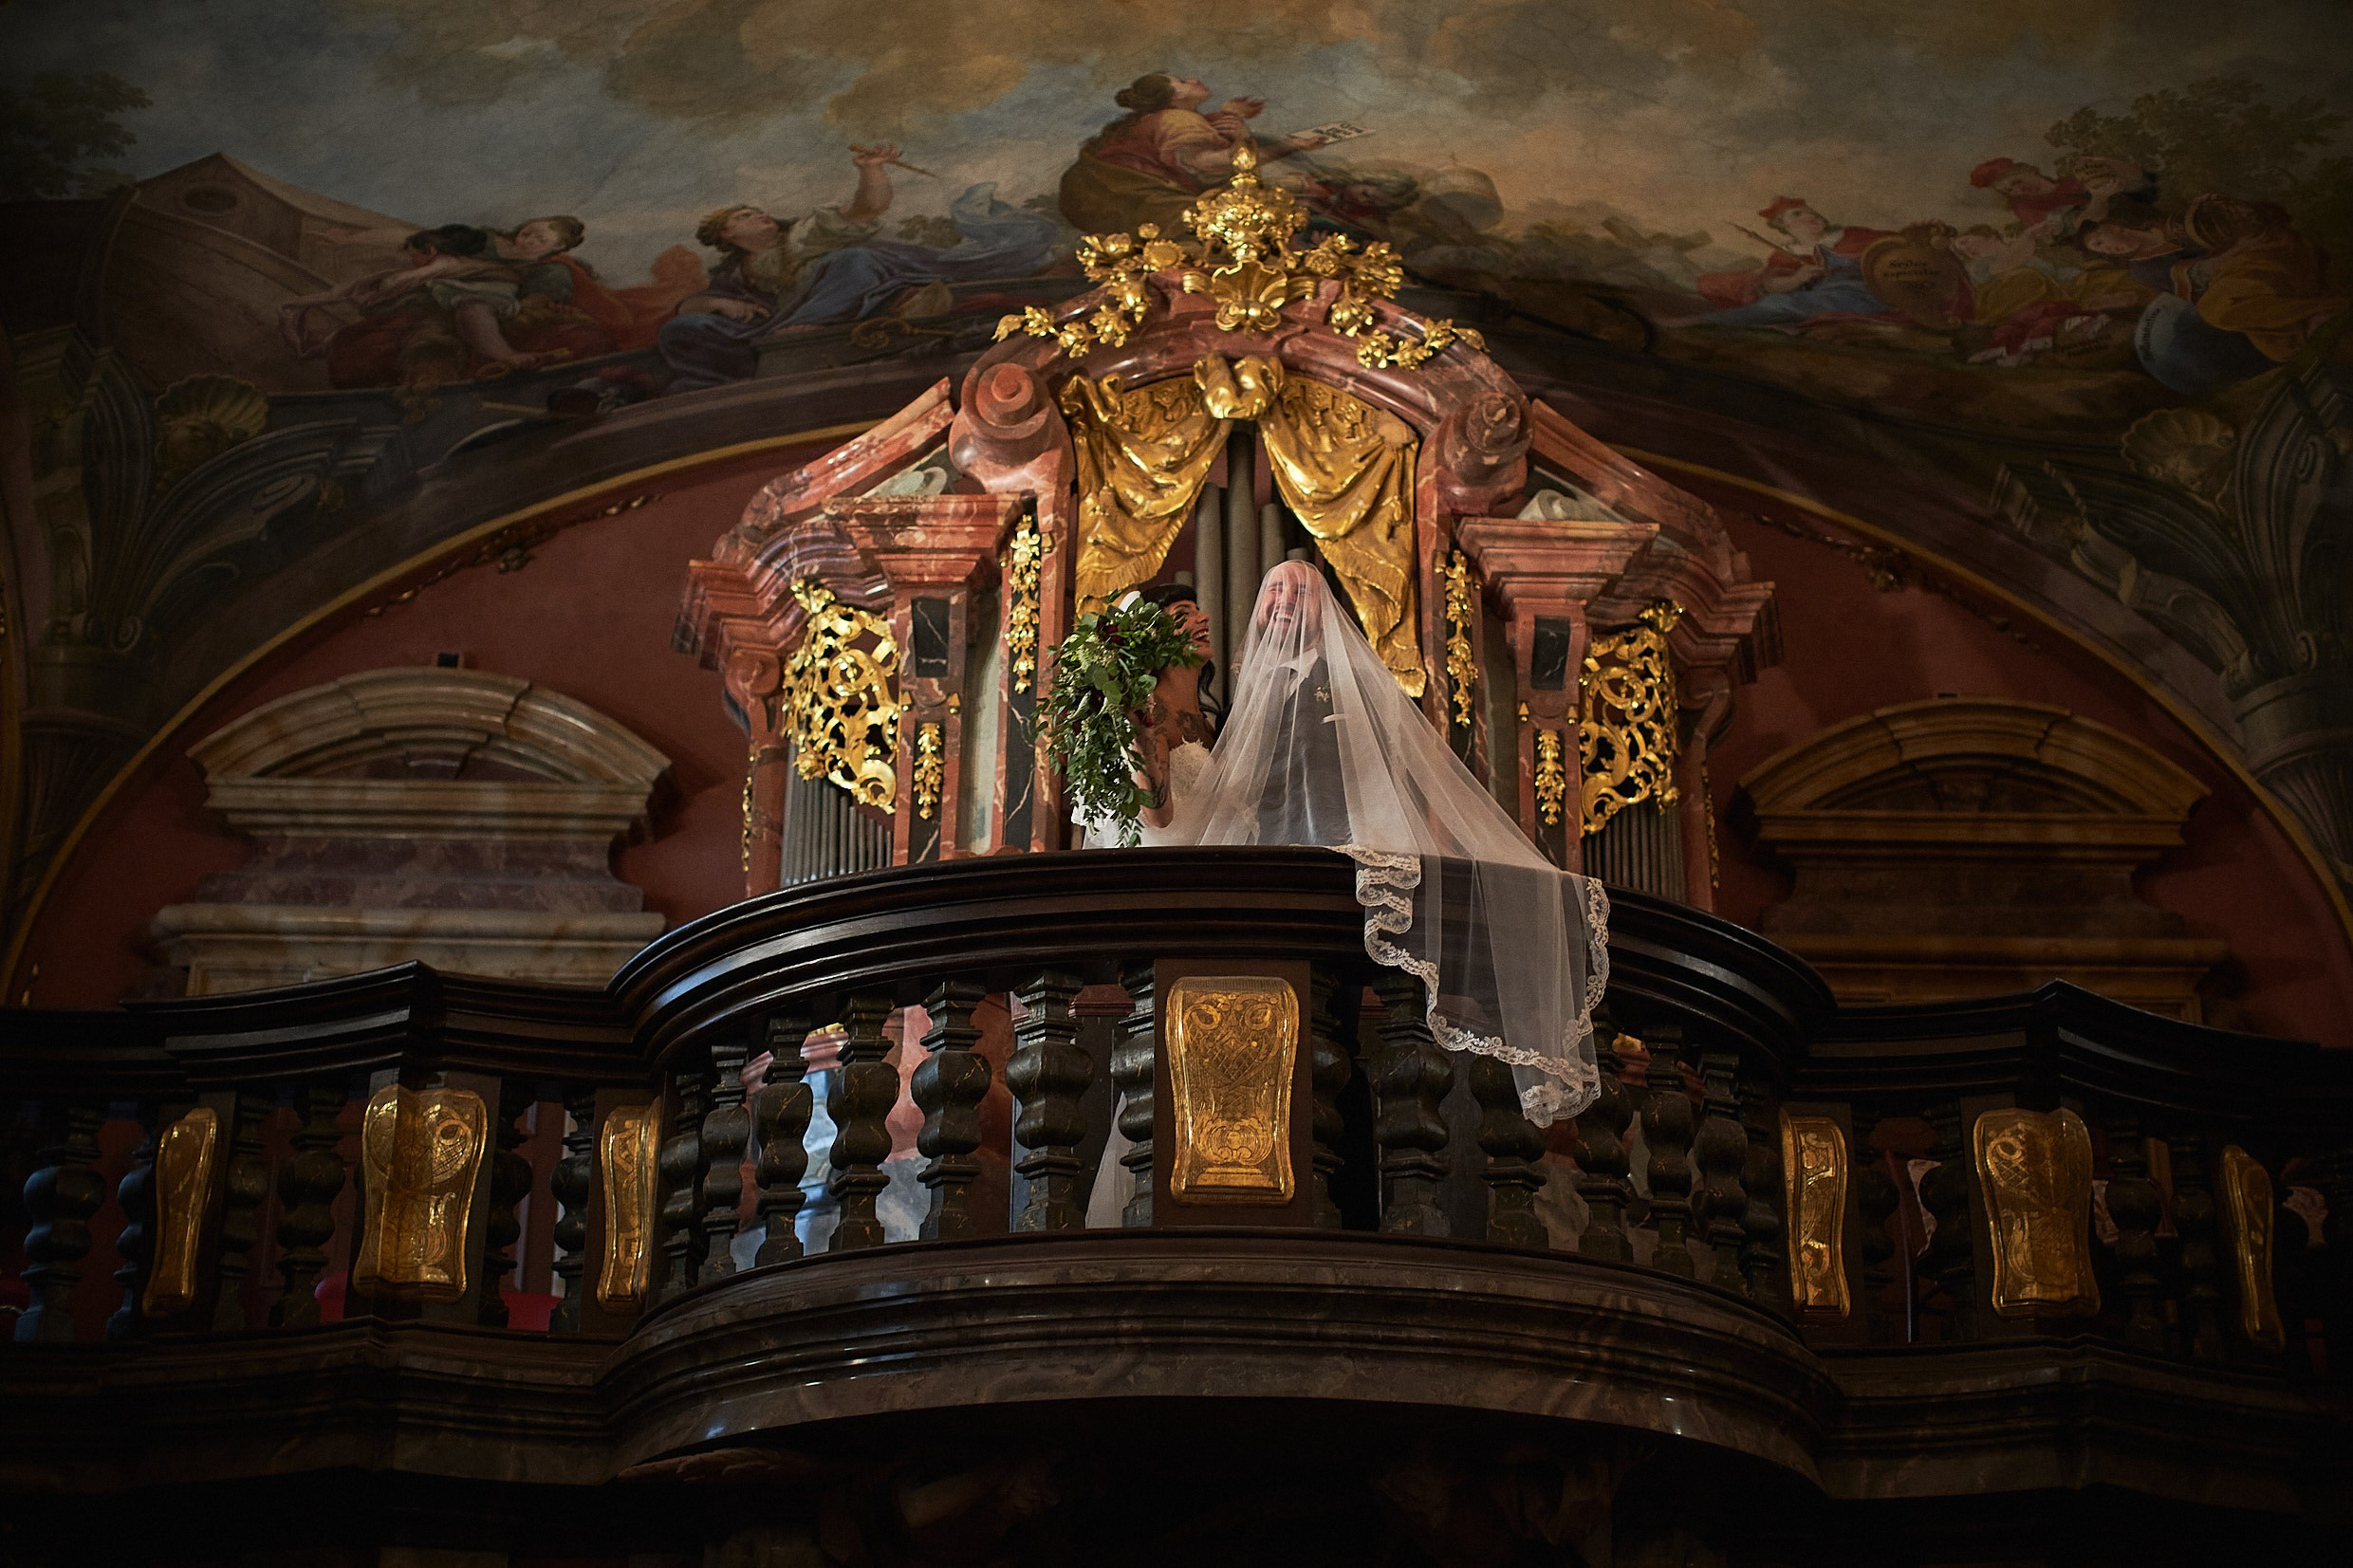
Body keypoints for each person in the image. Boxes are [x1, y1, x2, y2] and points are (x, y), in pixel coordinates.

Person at [1175, 560, 1607, 1126]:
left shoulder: (1346, 679)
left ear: (1325, 610)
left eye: (1300, 592)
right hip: (1262, 886)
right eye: (1274, 590)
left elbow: (1375, 780)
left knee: (1329, 1029)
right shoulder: (1245, 698)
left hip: (1331, 879)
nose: (1284, 601)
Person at [659, 144, 1060, 391]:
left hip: (850, 294)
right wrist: (720, 304)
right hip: (771, 326)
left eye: (758, 211)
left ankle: (811, 327)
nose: (759, 215)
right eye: (745, 216)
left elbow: (867, 208)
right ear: (727, 233)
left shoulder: (805, 233)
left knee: (851, 259)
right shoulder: (736, 274)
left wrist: (871, 170)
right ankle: (717, 382)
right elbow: (691, 306)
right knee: (681, 329)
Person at [1057, 71, 1327, 236]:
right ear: (1173, 97)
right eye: (1183, 82)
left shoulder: (1169, 119)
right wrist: (1282, 145)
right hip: (1152, 204)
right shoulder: (1177, 120)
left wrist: (1231, 118)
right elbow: (1208, 164)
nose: (1194, 80)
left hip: (1116, 199)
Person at [1074, 581, 1219, 849]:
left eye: (1198, 609)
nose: (1205, 617)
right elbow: (1158, 817)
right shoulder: (1147, 713)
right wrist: (1143, 739)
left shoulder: (1208, 720)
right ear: (1152, 637)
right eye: (1183, 613)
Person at [1683, 198, 1905, 330]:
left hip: (1870, 292)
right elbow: (1771, 284)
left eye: (1813, 213)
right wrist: (1797, 279)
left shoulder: (1854, 235)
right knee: (1776, 302)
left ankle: (1703, 321)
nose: (1812, 217)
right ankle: (1706, 321)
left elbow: (1903, 245)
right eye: (1798, 214)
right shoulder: (1786, 255)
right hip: (1822, 296)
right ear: (1784, 226)